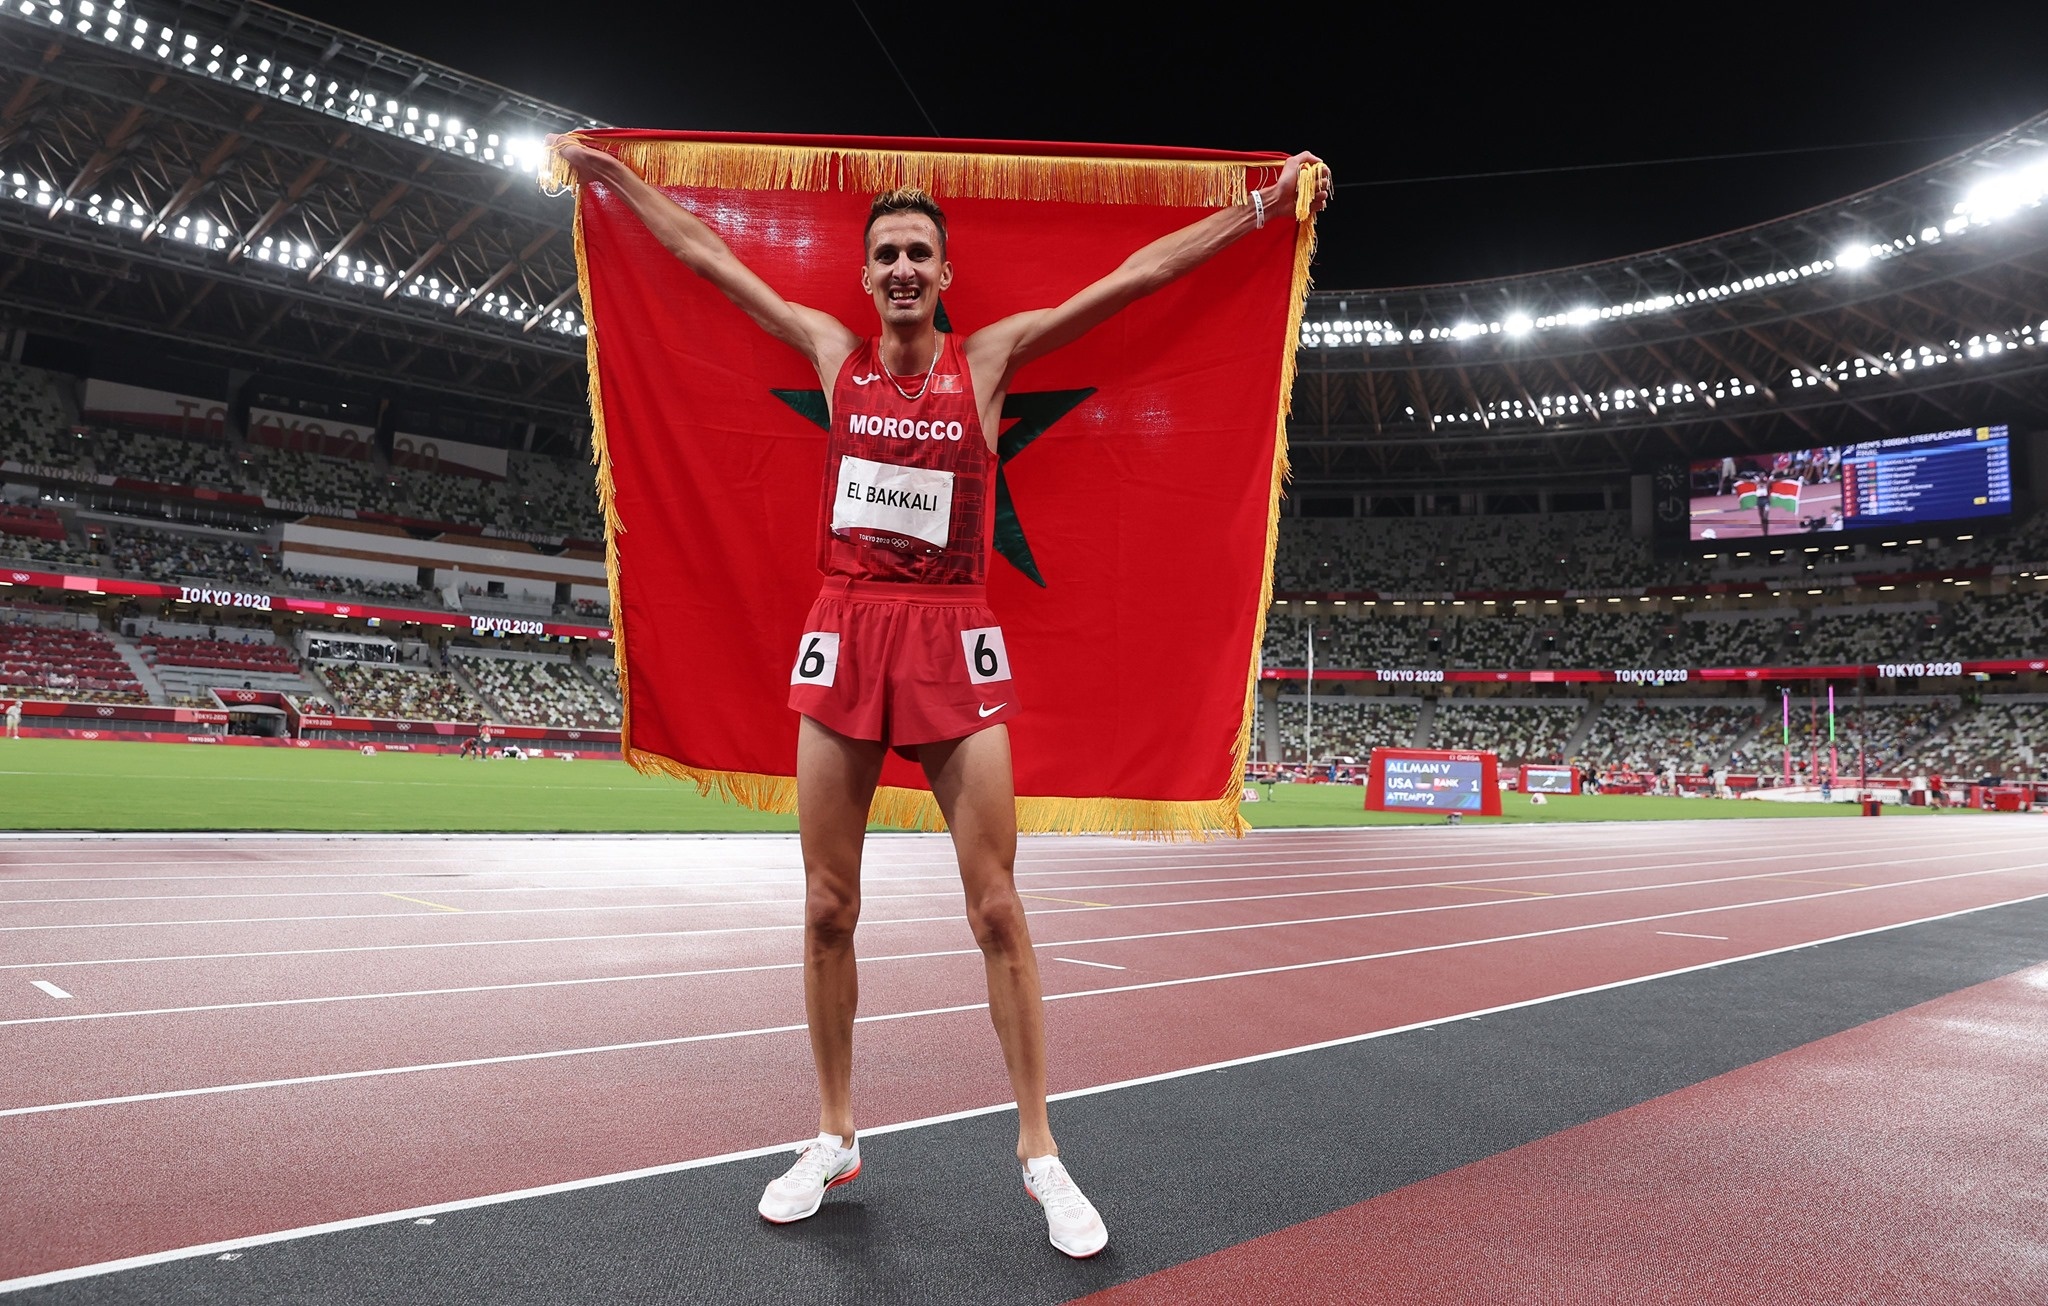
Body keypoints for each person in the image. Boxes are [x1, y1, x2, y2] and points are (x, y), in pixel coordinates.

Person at [551, 133, 1328, 1259]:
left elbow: (1135, 279)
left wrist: (1259, 211)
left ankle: (1040, 1151)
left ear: (943, 274)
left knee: (996, 909)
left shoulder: (988, 358)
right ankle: (831, 1134)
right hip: (846, 621)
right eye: (887, 255)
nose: (904, 268)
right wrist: (612, 179)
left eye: (919, 251)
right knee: (825, 905)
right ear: (864, 278)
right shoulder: (828, 349)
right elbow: (712, 261)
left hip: (952, 628)